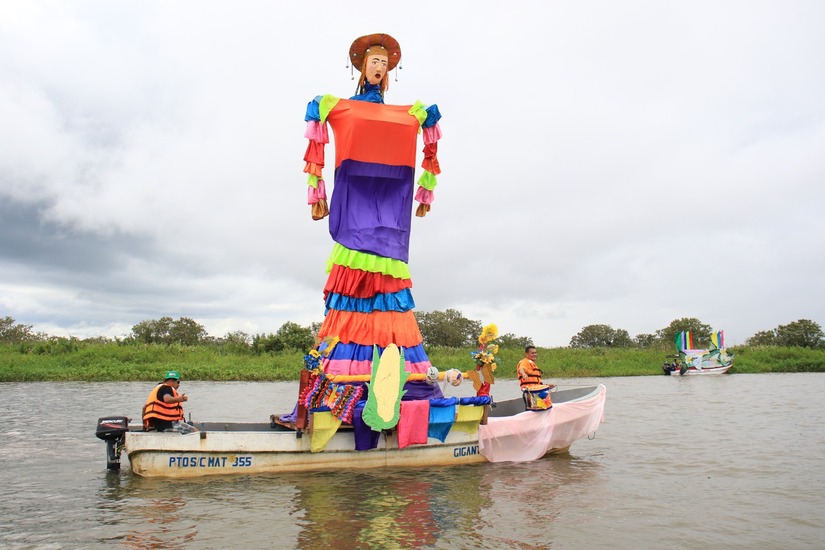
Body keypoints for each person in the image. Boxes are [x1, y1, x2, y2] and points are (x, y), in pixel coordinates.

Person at [300, 33, 444, 401]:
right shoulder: (344, 108)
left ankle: (392, 381)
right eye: (374, 61)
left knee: (388, 294)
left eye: (384, 63)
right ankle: (344, 382)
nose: (379, 67)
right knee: (353, 290)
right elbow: (317, 118)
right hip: (354, 207)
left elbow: (428, 133)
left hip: (391, 211)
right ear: (362, 67)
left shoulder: (403, 115)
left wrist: (424, 193)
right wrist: (317, 193)